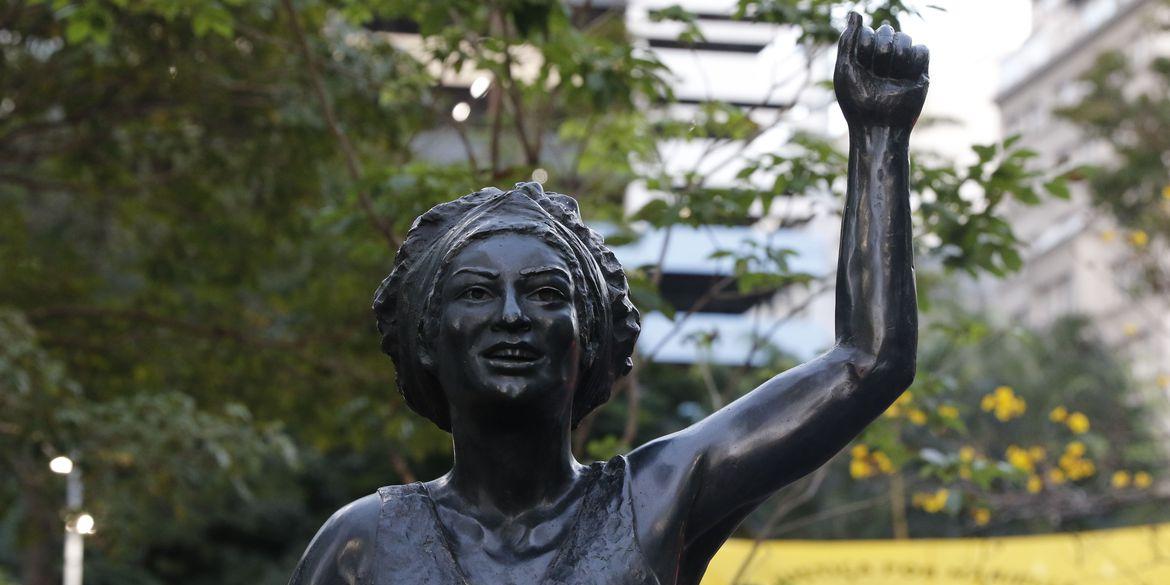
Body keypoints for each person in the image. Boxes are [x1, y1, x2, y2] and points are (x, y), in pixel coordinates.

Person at [288, 12, 926, 585]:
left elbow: (869, 363)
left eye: (544, 294)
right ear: (427, 338)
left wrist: (878, 133)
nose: (512, 316)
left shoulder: (654, 504)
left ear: (587, 334)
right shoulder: (362, 548)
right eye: (478, 293)